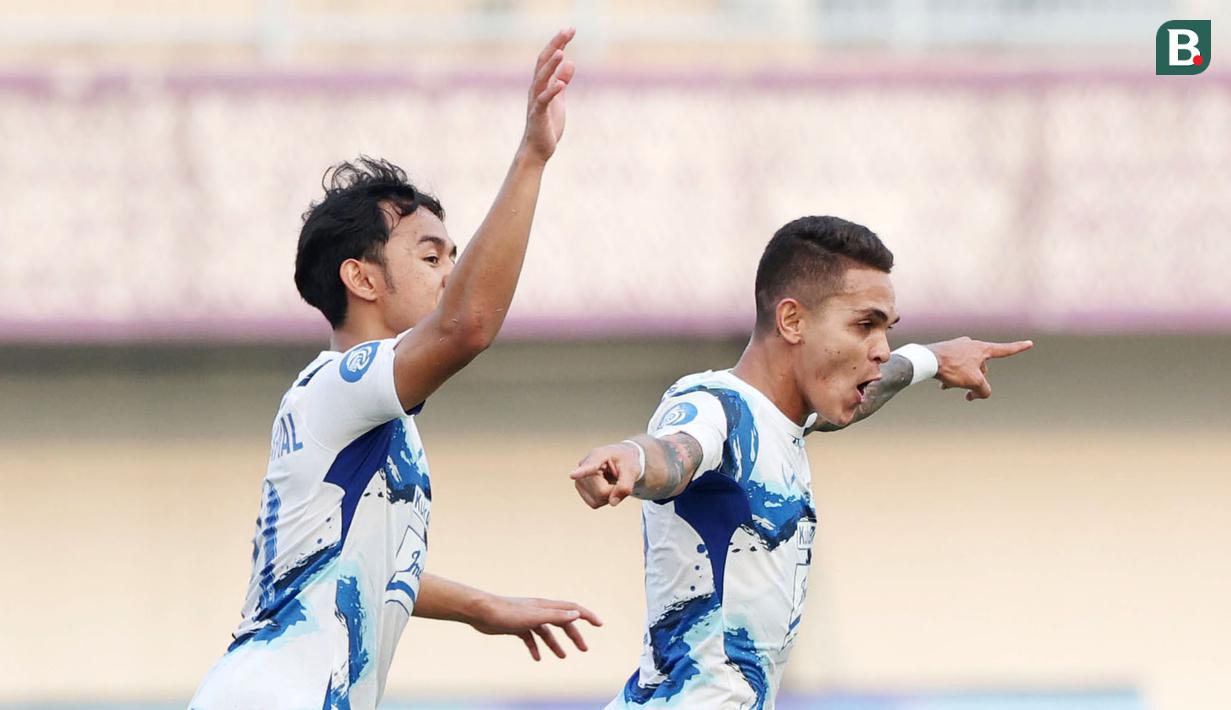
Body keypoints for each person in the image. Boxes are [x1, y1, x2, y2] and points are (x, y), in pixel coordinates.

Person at [191, 28, 599, 710]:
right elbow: (468, 327)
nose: (451, 275)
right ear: (362, 278)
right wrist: (532, 156)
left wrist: (481, 607)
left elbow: (363, 564)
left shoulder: (372, 416)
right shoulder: (336, 384)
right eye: (432, 256)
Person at [569, 215, 1033, 709]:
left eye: (886, 329)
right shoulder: (716, 406)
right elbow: (679, 452)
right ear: (792, 321)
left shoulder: (783, 422)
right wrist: (634, 460)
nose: (881, 349)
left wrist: (934, 358)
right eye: (864, 325)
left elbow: (862, 398)